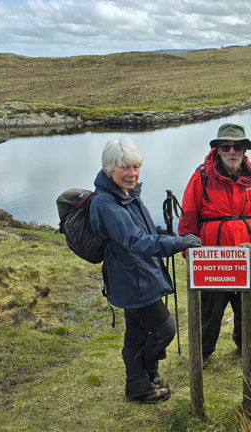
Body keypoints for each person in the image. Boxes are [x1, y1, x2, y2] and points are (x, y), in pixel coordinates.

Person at [89, 137, 202, 404]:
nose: (132, 174)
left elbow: (143, 232)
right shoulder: (106, 203)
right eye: (124, 168)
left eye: (136, 166)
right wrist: (177, 243)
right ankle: (146, 375)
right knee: (165, 330)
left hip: (138, 278)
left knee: (137, 334)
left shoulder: (127, 195)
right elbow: (134, 241)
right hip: (131, 282)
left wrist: (163, 233)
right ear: (108, 170)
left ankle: (139, 385)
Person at [178, 123, 251, 368]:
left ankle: (247, 345)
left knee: (248, 307)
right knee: (211, 311)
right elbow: (188, 216)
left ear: (245, 149)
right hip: (213, 262)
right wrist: (188, 251)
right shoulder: (201, 177)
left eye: (237, 146)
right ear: (218, 149)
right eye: (226, 146)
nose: (232, 152)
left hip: (248, 259)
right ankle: (203, 352)